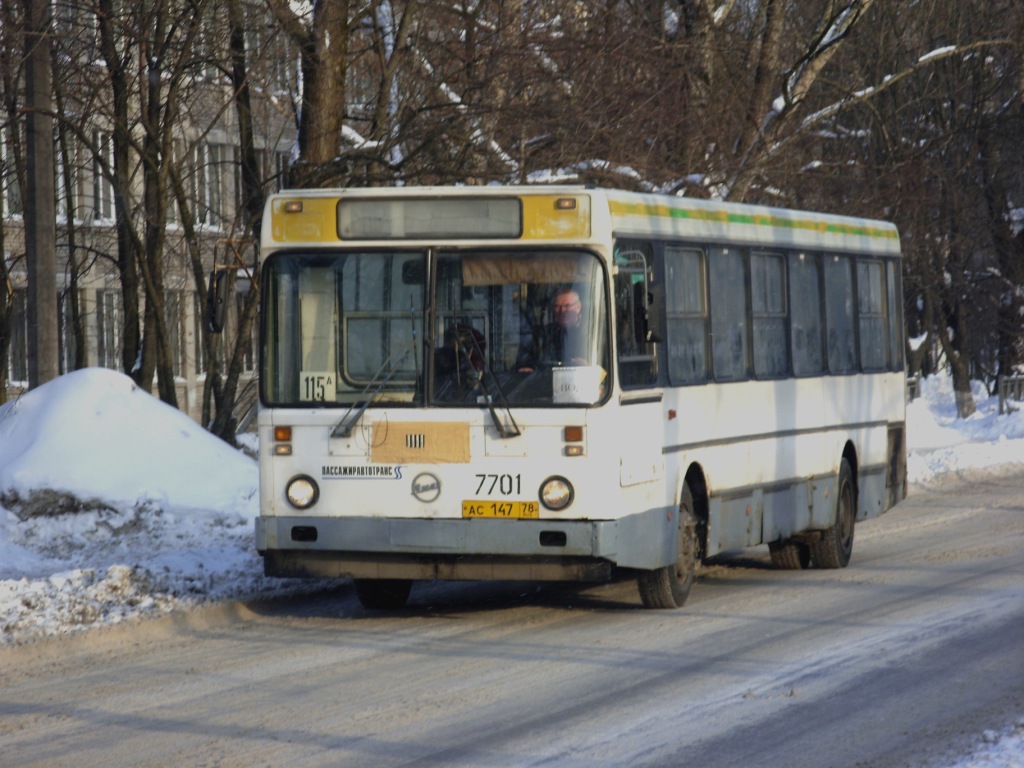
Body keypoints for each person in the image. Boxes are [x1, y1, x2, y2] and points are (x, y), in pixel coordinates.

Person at [516, 287, 588, 371]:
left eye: (567, 306)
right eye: (557, 306)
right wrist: (528, 368)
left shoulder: (591, 334)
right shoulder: (543, 334)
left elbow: (604, 368)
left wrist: (587, 365)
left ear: (578, 307)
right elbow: (526, 360)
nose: (562, 311)